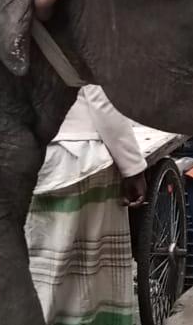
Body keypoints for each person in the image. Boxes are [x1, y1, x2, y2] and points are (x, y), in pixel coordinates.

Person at [25, 86, 147, 325]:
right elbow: (100, 94)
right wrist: (133, 167)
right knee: (89, 281)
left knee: (42, 274)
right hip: (79, 161)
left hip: (30, 158)